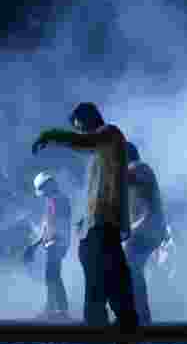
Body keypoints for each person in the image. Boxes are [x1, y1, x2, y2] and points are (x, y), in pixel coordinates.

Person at [33, 103, 139, 330]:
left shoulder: (110, 133)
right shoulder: (98, 153)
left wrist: (49, 135)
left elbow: (82, 142)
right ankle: (105, 324)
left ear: (88, 118)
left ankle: (115, 324)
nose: (78, 130)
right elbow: (96, 189)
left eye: (78, 125)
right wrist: (85, 217)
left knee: (107, 271)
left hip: (105, 220)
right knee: (101, 271)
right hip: (98, 221)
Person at [124, 143, 168, 324]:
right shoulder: (137, 169)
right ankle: (139, 315)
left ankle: (141, 317)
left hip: (146, 228)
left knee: (131, 268)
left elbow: (149, 200)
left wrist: (139, 225)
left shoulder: (137, 168)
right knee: (132, 268)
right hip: (147, 227)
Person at [28, 171, 71, 319]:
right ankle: (53, 308)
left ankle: (58, 310)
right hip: (55, 243)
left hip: (56, 243)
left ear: (47, 186)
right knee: (52, 277)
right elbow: (48, 225)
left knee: (53, 277)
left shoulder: (58, 200)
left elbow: (58, 226)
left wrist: (56, 242)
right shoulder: (55, 200)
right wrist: (36, 244)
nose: (43, 194)